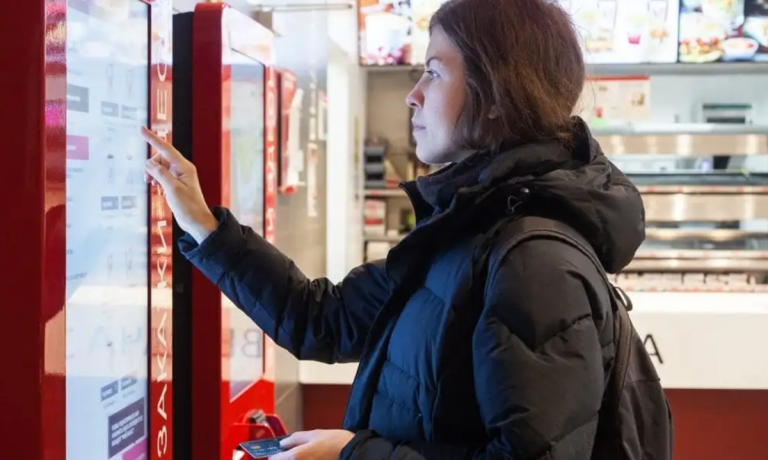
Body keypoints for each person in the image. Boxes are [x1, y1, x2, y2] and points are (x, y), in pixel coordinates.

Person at [143, 0, 670, 459]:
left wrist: (353, 454)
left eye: (434, 73)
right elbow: (321, 320)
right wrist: (204, 226)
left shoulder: (533, 264)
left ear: (495, 93)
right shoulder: (465, 231)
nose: (412, 95)